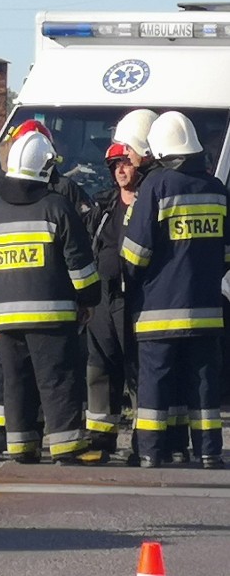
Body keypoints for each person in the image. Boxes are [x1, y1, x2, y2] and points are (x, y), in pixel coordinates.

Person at [0, 131, 102, 465]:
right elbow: (79, 264)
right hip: (52, 317)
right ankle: (66, 447)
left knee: (17, 383)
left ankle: (21, 447)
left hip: (6, 318)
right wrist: (89, 300)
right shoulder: (57, 207)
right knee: (57, 380)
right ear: (44, 168)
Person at [121, 111, 228, 469]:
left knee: (155, 382)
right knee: (202, 384)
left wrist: (131, 281)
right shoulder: (217, 189)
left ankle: (151, 451)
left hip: (159, 310)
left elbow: (136, 252)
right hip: (207, 309)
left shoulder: (157, 185)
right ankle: (209, 451)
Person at [83, 143, 138, 454]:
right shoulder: (104, 206)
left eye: (126, 163)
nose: (120, 170)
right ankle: (101, 439)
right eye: (115, 164)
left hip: (136, 297)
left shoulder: (148, 203)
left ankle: (146, 441)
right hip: (104, 295)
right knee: (100, 366)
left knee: (138, 369)